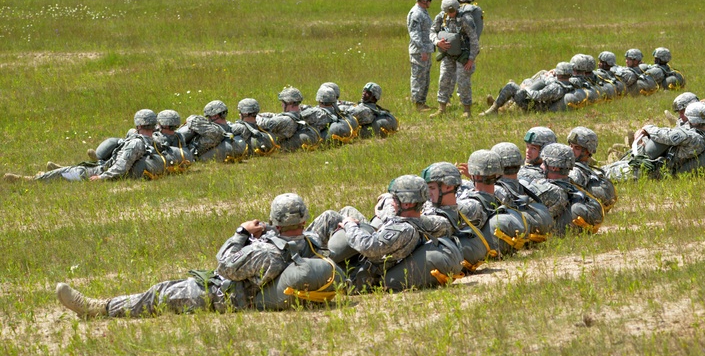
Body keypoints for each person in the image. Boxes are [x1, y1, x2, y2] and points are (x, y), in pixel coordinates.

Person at [54, 194, 347, 318]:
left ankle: (98, 308)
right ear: (304, 220)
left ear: (276, 220)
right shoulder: (310, 239)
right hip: (272, 263)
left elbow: (225, 264)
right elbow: (329, 218)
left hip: (226, 294)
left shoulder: (265, 253)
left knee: (161, 293)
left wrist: (241, 232)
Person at [335, 175, 463, 291]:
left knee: (331, 217)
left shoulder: (402, 230)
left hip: (356, 274)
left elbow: (368, 246)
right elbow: (444, 225)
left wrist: (349, 225)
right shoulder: (424, 222)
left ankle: (317, 257)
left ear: (407, 203)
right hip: (378, 251)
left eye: (395, 199)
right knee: (347, 210)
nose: (392, 202)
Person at [6, 109, 166, 183]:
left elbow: (121, 167)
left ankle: (31, 180)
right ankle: (59, 169)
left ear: (138, 124)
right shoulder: (156, 140)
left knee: (72, 173)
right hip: (105, 167)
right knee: (79, 168)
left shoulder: (135, 143)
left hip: (102, 171)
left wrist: (102, 177)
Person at [531, 143, 604, 235]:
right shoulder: (570, 185)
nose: (541, 166)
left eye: (544, 163)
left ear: (554, 167)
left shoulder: (551, 190)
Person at [430, 0, 479, 118]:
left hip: (463, 56)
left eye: (453, 11)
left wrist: (471, 59)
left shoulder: (465, 19)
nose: (451, 14)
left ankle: (466, 109)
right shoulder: (441, 17)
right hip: (447, 54)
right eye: (448, 11)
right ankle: (442, 108)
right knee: (444, 79)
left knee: (463, 81)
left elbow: (474, 40)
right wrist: (437, 42)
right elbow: (432, 31)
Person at [480, 62, 575, 115]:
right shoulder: (566, 84)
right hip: (537, 104)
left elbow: (538, 96)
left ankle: (494, 108)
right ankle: (498, 104)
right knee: (527, 81)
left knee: (511, 86)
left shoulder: (556, 87)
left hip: (534, 106)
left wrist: (525, 89)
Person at [566, 127, 617, 212]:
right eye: (570, 146)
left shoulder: (576, 171)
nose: (571, 150)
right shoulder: (582, 169)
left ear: (587, 151)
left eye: (577, 148)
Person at [179, 100, 249, 163]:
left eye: (209, 116)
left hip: (195, 154)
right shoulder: (233, 127)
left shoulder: (212, 130)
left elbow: (193, 120)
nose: (208, 119)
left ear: (215, 116)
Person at [257, 87, 322, 152]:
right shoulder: (301, 114)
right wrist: (263, 115)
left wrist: (253, 114)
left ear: (290, 103)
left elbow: (261, 123)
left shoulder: (285, 120)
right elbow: (277, 115)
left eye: (283, 102)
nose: (282, 105)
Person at [408, 0, 436, 111]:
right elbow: (414, 33)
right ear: (424, 0)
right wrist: (422, 49)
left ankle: (422, 102)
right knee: (418, 77)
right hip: (419, 51)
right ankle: (418, 104)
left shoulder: (423, 11)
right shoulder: (416, 13)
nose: (430, 2)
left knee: (425, 77)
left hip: (426, 50)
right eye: (429, 0)